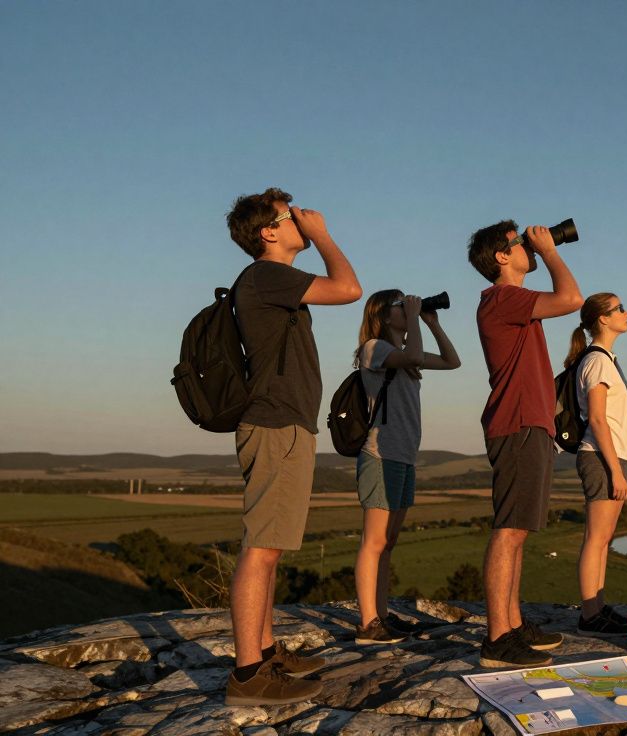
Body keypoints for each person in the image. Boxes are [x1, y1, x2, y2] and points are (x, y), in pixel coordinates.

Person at [223, 189, 362, 705]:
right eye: (291, 215)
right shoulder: (266, 275)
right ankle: (248, 675)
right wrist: (322, 234)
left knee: (270, 546)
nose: (301, 219)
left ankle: (265, 653)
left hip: (284, 423)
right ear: (269, 232)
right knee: (261, 548)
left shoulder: (272, 281)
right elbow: (349, 288)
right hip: (275, 423)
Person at [467, 219, 582, 667]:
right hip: (517, 423)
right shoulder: (502, 298)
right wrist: (550, 250)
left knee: (518, 532)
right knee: (509, 529)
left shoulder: (513, 302)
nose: (529, 247)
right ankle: (498, 638)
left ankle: (512, 625)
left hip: (529, 423)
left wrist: (539, 248)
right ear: (501, 257)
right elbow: (571, 299)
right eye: (520, 243)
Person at [351, 289, 461, 644]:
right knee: (374, 541)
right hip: (379, 456)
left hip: (403, 456)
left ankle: (382, 616)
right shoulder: (374, 349)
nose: (407, 307)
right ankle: (368, 623)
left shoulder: (403, 357)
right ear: (383, 315)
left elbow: (452, 361)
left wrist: (431, 323)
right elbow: (412, 354)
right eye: (401, 305)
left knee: (389, 542)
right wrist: (415, 319)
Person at [565, 293, 627, 635]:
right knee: (596, 538)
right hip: (600, 457)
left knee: (604, 538)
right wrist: (616, 470)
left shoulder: (606, 359)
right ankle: (590, 615)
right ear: (603, 319)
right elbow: (596, 419)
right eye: (619, 308)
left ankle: (599, 607)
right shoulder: (597, 361)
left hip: (613, 456)